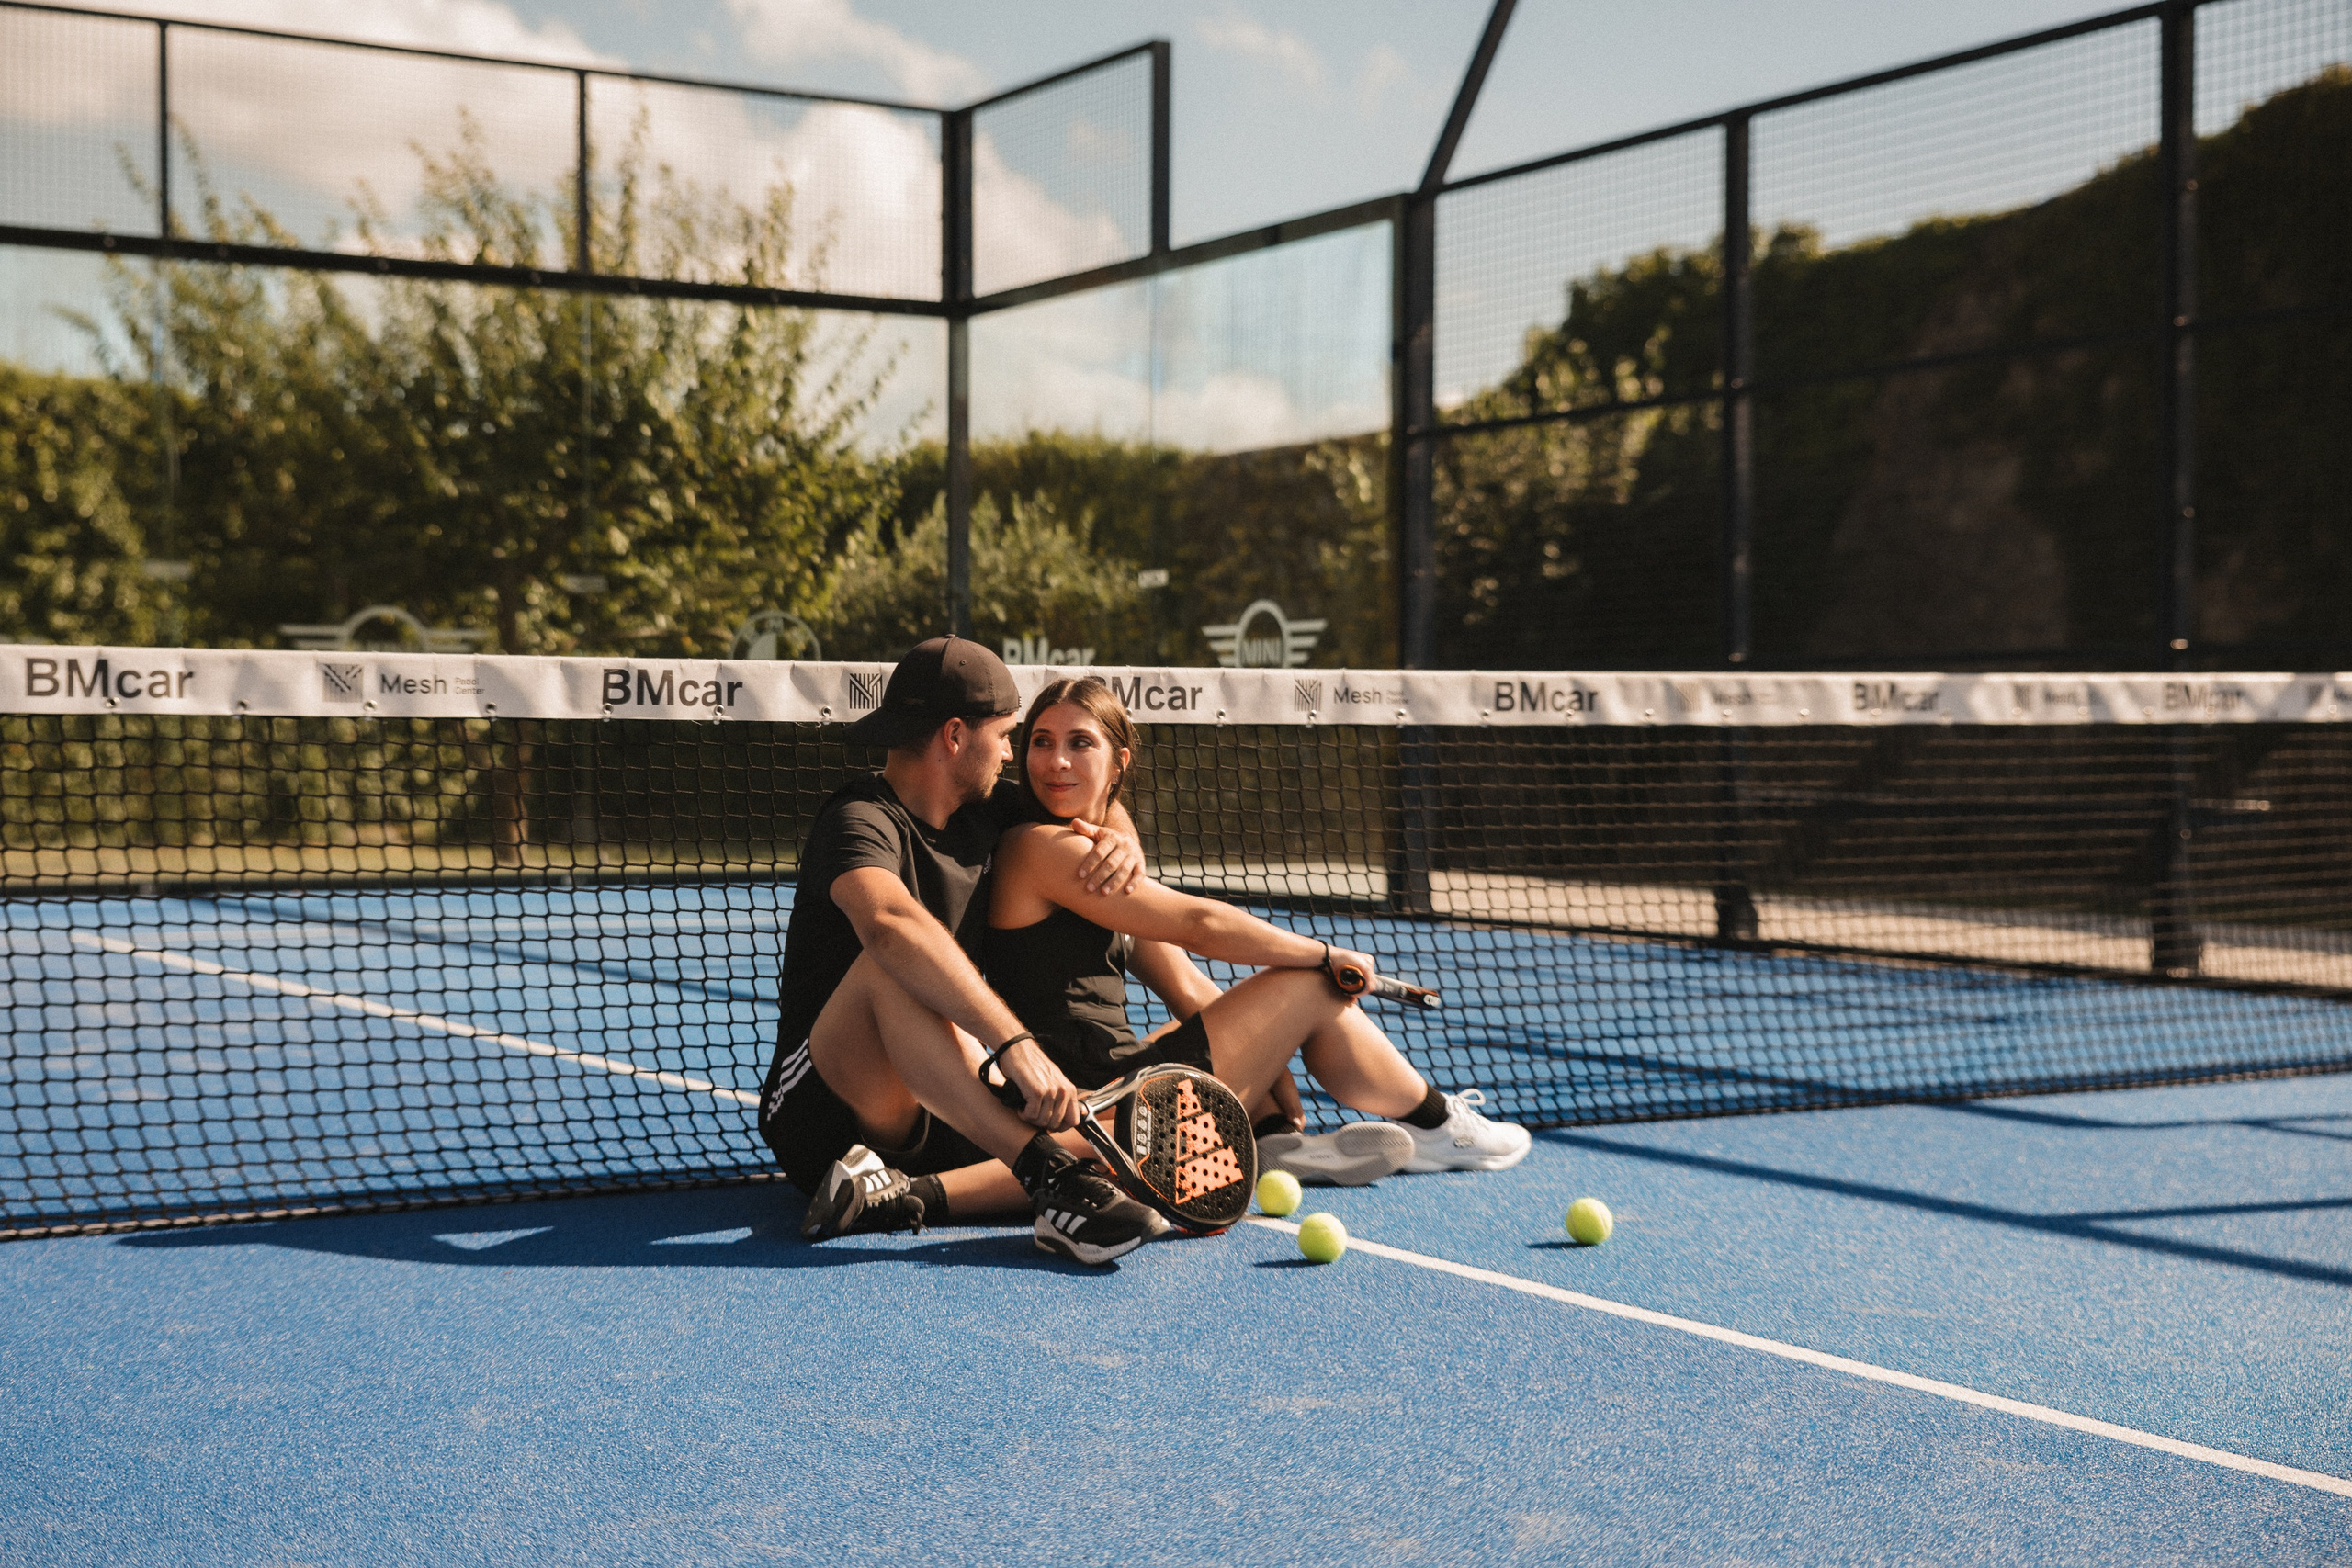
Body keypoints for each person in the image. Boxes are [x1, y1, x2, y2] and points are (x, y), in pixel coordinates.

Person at [982, 675, 1530, 1186]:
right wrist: (1323, 954)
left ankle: (1272, 1141)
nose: (1056, 762)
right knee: (1312, 984)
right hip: (1091, 1108)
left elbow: (1187, 987)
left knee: (1236, 1013)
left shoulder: (1101, 857)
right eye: (1040, 742)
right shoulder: (1039, 848)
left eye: (1080, 743)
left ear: (1119, 762)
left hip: (1115, 1079)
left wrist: (1272, 1065)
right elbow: (1202, 924)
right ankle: (1437, 1124)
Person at [759, 637, 1167, 1266]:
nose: (1011, 752)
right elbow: (890, 923)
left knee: (1121, 1128)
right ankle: (1050, 1177)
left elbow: (1088, 798)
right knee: (890, 961)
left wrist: (1121, 840)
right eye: (1006, 734)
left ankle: (918, 1190)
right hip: (823, 1111)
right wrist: (1014, 1042)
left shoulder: (991, 811)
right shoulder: (859, 819)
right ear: (955, 735)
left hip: (928, 1102)